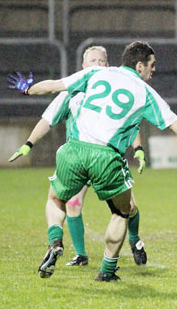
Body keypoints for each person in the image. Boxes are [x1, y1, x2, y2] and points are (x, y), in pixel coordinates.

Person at [7, 41, 177, 282]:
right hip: (106, 157)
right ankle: (107, 271)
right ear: (139, 65)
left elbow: (53, 87)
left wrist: (28, 89)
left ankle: (56, 241)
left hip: (73, 150)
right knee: (123, 211)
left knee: (56, 198)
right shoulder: (146, 93)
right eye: (152, 65)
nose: (154, 70)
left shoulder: (96, 72)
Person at [8, 46, 148, 268]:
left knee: (128, 207)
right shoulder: (71, 92)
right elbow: (48, 119)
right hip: (79, 158)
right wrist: (28, 143)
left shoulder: (113, 88)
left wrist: (138, 148)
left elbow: (131, 122)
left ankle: (134, 240)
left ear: (108, 64)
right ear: (84, 66)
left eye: (102, 61)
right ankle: (81, 255)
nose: (98, 64)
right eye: (93, 60)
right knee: (72, 203)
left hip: (107, 159)